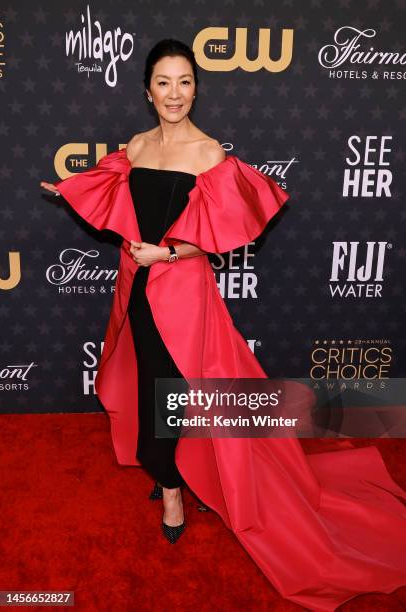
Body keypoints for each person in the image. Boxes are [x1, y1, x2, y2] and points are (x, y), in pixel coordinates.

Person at [41, 39, 406, 610]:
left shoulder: (210, 154)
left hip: (180, 290)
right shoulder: (135, 146)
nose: (174, 94)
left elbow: (213, 236)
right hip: (135, 287)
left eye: (185, 81)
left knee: (172, 393)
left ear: (196, 88)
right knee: (150, 385)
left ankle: (171, 492)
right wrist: (66, 189)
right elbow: (106, 190)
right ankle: (171, 470)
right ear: (147, 90)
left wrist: (164, 256)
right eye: (163, 82)